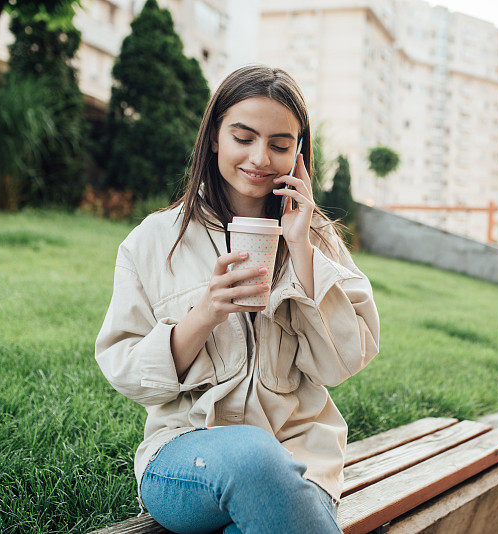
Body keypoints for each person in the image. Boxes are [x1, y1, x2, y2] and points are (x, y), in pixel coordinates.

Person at [94, 65, 381, 534]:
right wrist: (206, 313)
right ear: (214, 137)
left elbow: (343, 363)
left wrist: (303, 248)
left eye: (280, 145)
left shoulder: (316, 239)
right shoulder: (154, 240)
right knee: (253, 456)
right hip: (186, 457)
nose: (259, 158)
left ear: (299, 155)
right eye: (243, 137)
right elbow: (128, 373)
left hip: (302, 462)